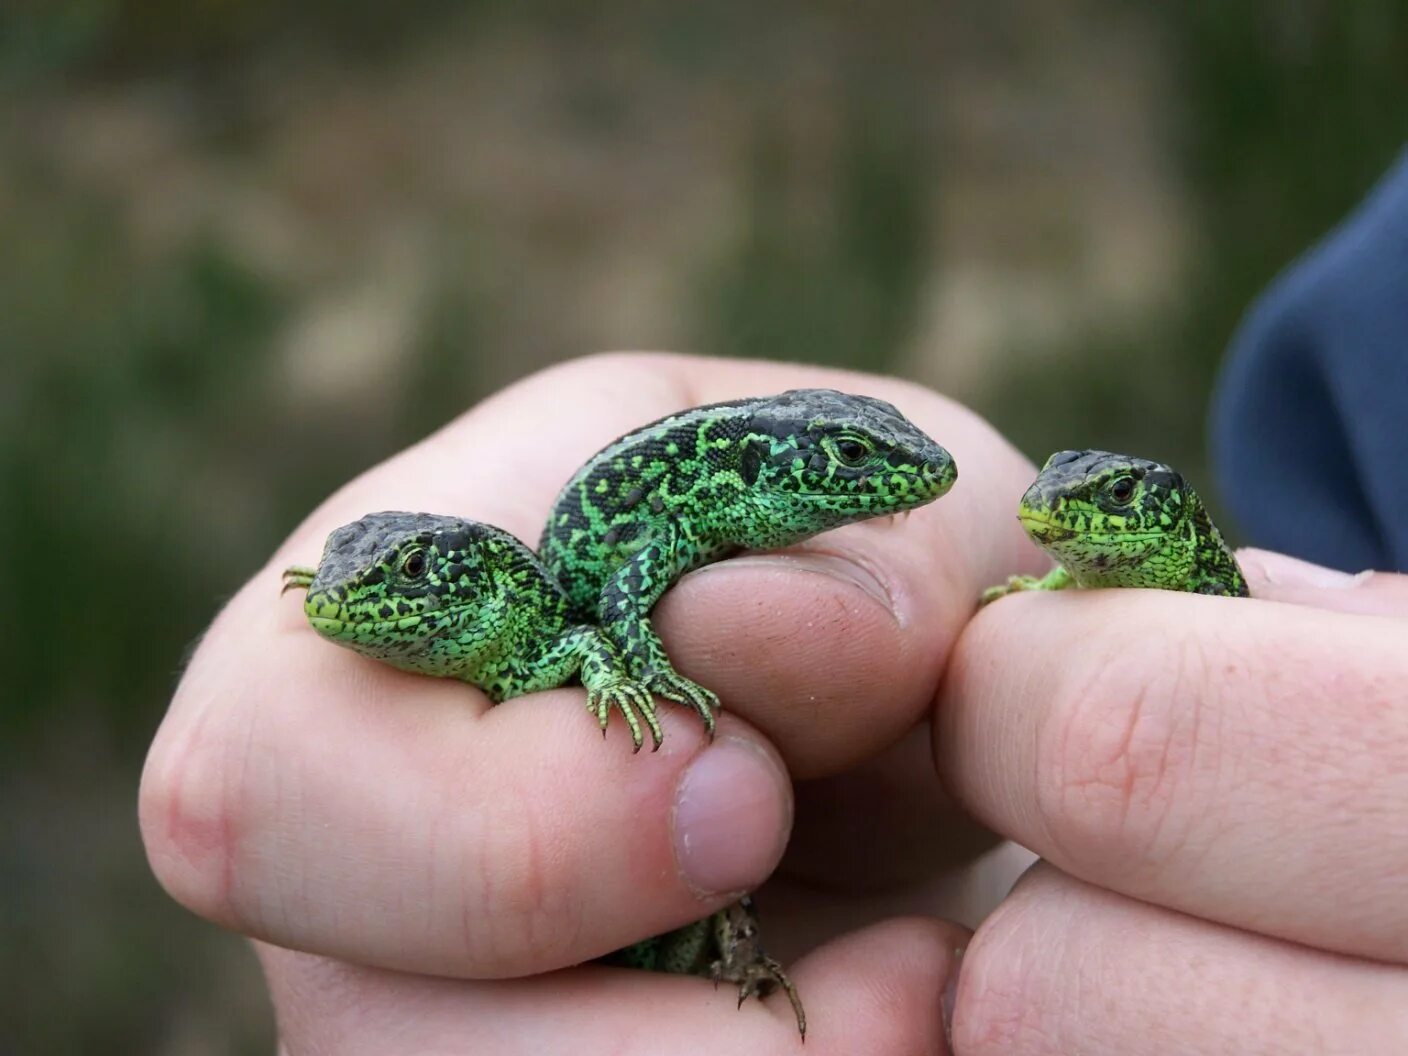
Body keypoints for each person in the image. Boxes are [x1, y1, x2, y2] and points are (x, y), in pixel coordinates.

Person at [141, 234, 1408, 1051]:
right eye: (862, 464)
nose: (902, 477)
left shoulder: (780, 501)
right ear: (793, 466)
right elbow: (624, 575)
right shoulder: (726, 485)